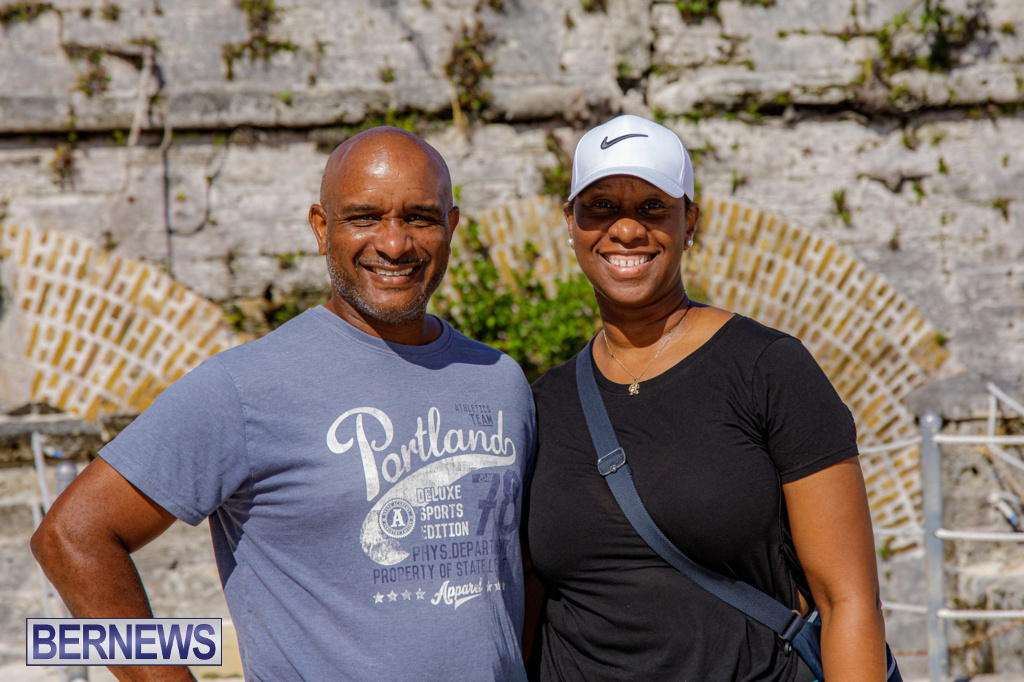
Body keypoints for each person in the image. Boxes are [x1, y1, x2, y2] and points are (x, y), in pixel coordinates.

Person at [32, 127, 536, 681]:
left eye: (419, 217)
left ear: (451, 226)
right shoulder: (246, 386)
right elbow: (71, 537)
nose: (394, 244)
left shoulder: (499, 380)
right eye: (365, 217)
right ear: (322, 229)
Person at [523, 115, 886, 681]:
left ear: (689, 220)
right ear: (569, 223)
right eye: (600, 207)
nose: (625, 230)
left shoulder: (768, 369)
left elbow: (848, 602)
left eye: (651, 208)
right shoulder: (544, 404)